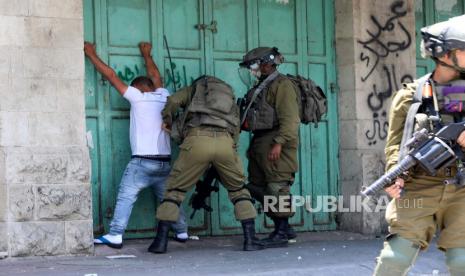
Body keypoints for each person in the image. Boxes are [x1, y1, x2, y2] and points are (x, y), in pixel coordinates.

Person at [374, 15, 465, 276]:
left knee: (462, 261)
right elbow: (395, 144)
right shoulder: (411, 96)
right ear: (445, 54)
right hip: (419, 186)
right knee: (395, 257)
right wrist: (395, 175)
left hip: (462, 189)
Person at [84, 41, 189, 249]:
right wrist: (147, 54)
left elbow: (112, 76)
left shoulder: (137, 97)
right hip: (164, 163)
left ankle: (115, 234)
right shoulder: (164, 95)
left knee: (126, 196)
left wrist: (91, 53)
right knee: (169, 198)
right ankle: (182, 231)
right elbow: (156, 75)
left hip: (142, 163)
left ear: (138, 88)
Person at [148, 75, 264, 253]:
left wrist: (168, 120)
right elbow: (236, 126)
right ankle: (250, 240)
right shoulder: (229, 96)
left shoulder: (194, 89)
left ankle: (160, 242)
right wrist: (231, 148)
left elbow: (172, 101)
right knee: (239, 190)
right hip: (225, 143)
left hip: (197, 140)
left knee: (175, 191)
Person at [239, 47, 300, 248]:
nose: (252, 70)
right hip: (260, 141)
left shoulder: (282, 85)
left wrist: (279, 143)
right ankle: (283, 226)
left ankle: (282, 231)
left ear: (267, 63)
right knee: (257, 187)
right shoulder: (262, 85)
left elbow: (290, 119)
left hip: (276, 141)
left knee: (276, 186)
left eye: (254, 65)